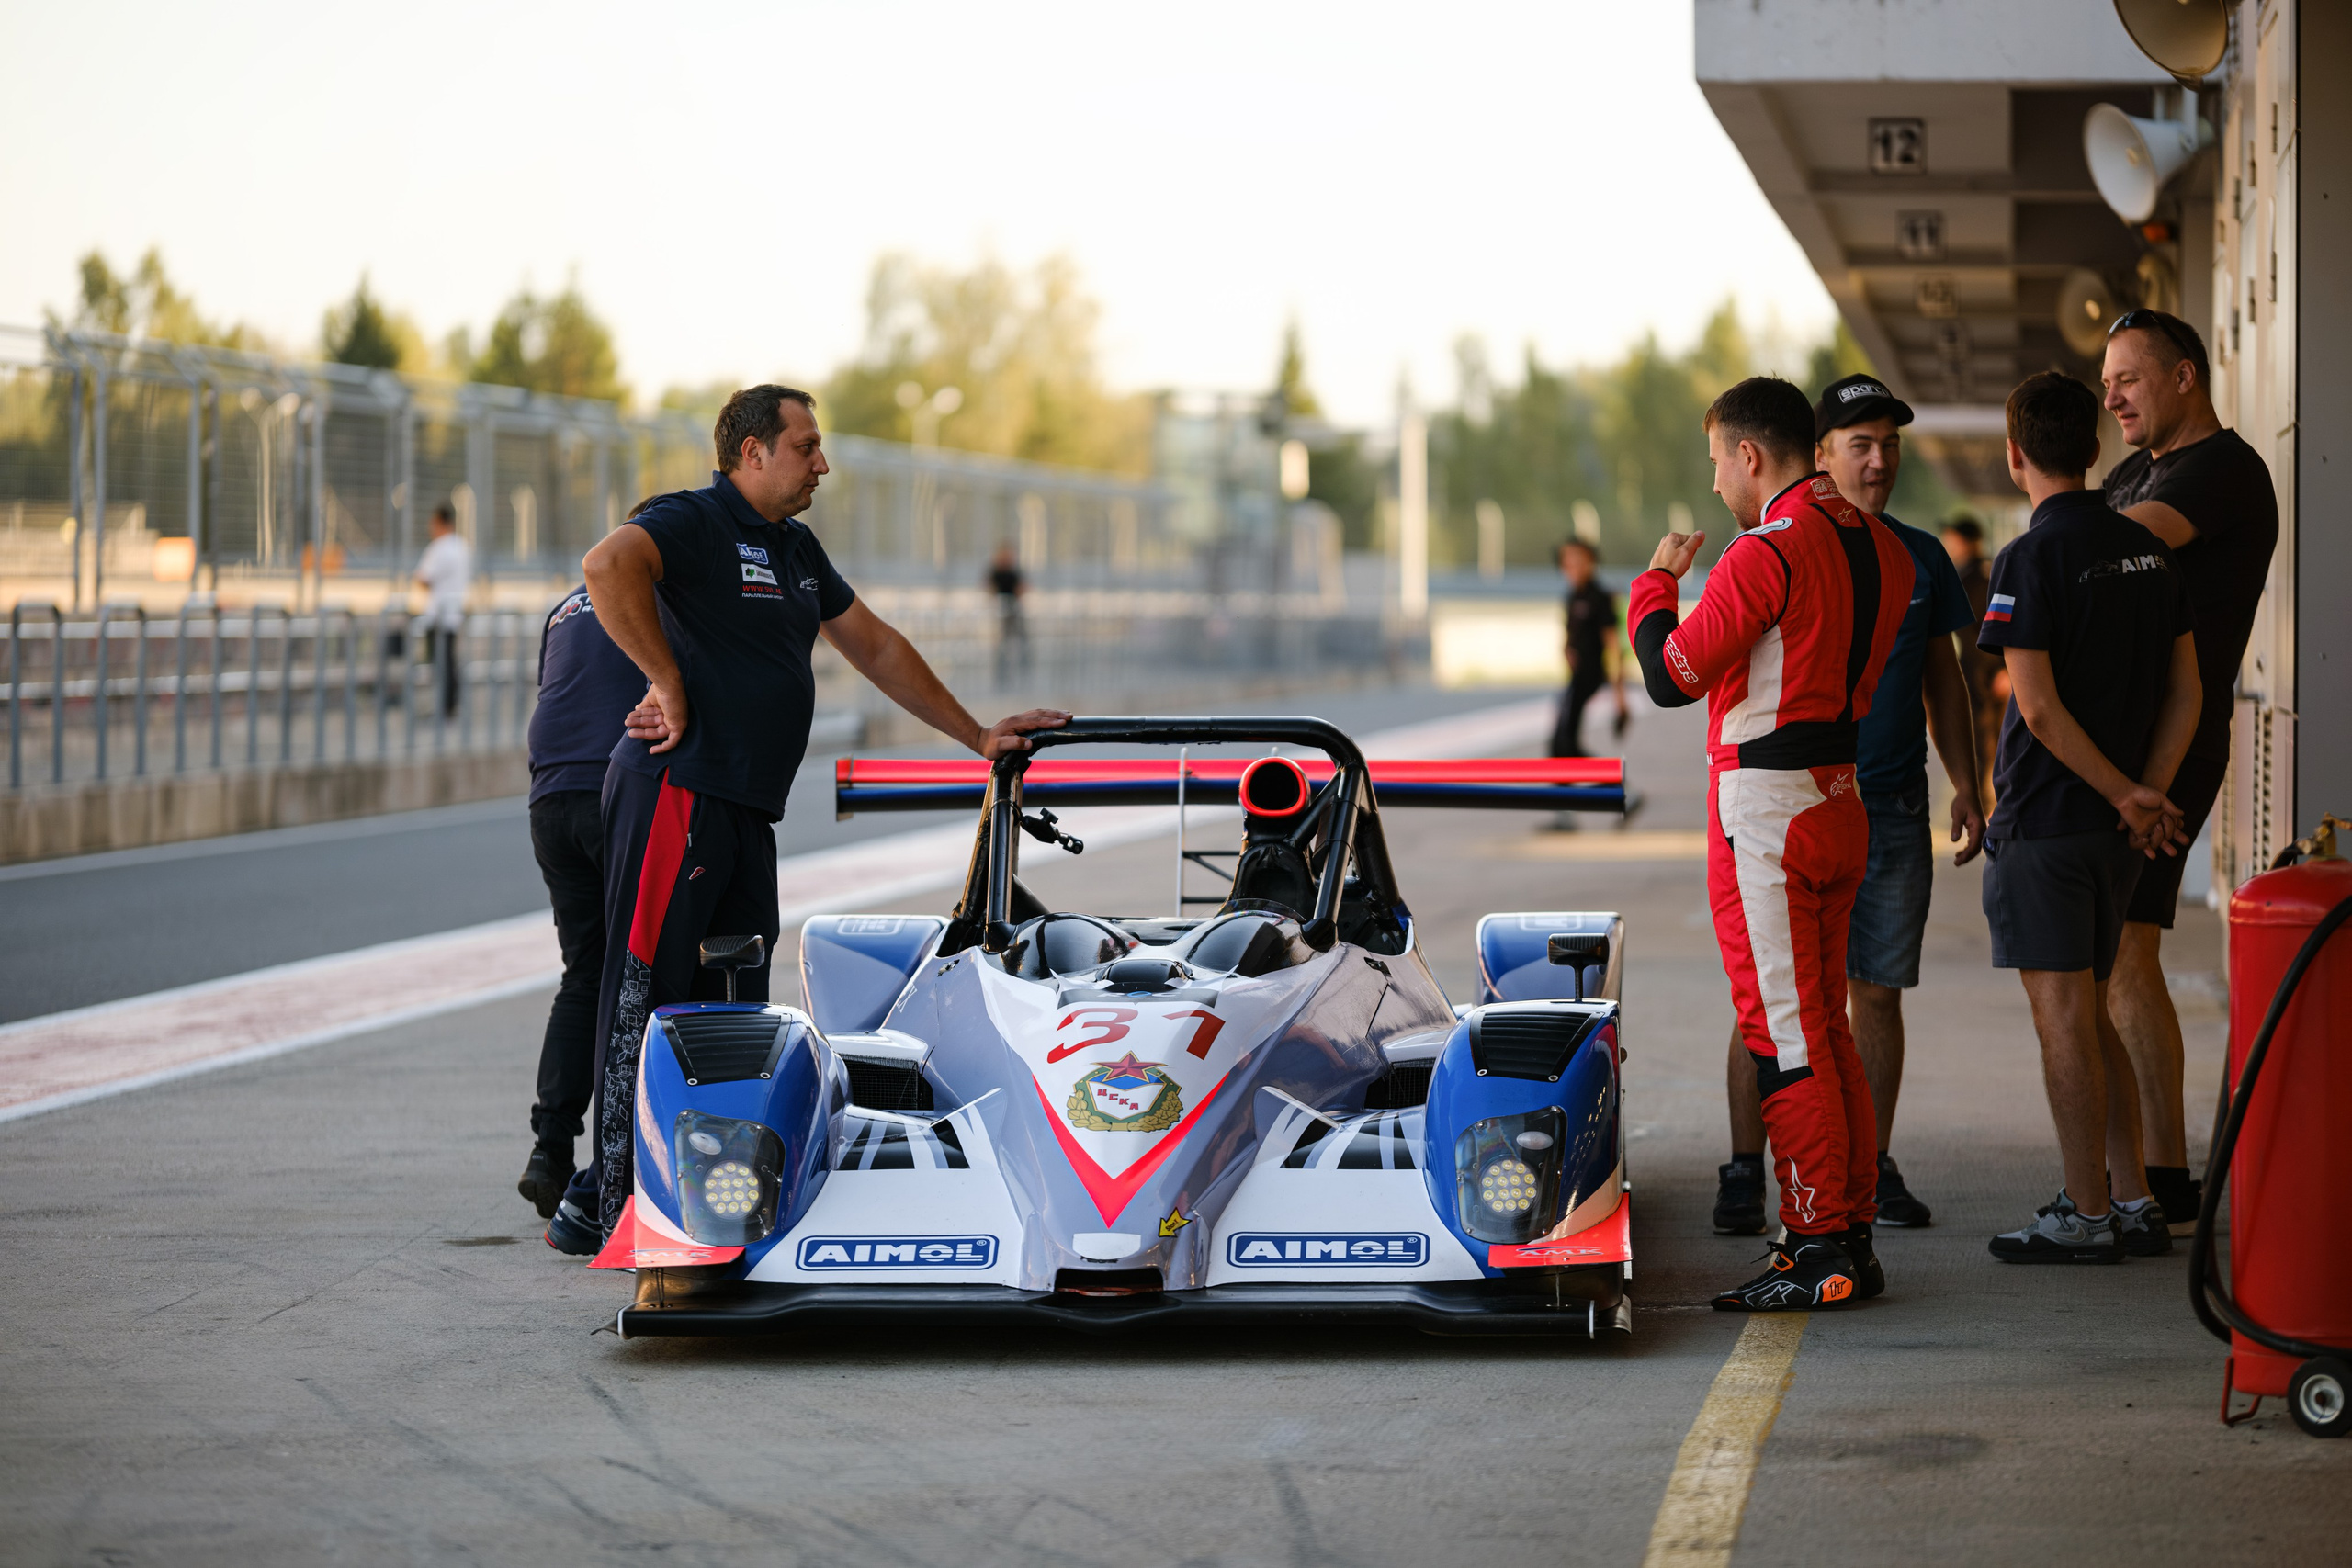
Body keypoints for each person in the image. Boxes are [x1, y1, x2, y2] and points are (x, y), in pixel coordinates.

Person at [571, 385, 1066, 1245]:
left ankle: (722, 1207)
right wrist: (666, 679)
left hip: (743, 811)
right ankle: (612, 1206)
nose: (822, 463)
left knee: (735, 1014)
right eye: (806, 447)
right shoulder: (692, 518)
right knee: (647, 1001)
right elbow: (607, 568)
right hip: (677, 792)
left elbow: (872, 643)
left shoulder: (794, 547)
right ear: (751, 453)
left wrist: (976, 734)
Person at [1630, 377, 1913, 1311]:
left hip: (1766, 808)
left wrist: (1654, 585)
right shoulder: (1886, 547)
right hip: (1842, 794)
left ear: (1750, 454)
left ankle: (1815, 1244)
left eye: (1717, 460)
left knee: (1781, 1034)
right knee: (1826, 1027)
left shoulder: (1766, 549)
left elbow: (1672, 675)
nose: (1715, 483)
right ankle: (1850, 1228)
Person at [1713, 376, 1984, 1236]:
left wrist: (1968, 781)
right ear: (1819, 455)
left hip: (1867, 807)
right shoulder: (1805, 547)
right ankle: (1755, 1170)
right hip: (1815, 806)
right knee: (1787, 1009)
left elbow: (1947, 676)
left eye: (1891, 443)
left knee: (1844, 1006)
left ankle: (1844, 1196)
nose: (1880, 459)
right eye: (1860, 443)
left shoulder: (1905, 554)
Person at [1976, 370, 2199, 1264]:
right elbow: (2187, 692)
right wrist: (2144, 797)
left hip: (2049, 824)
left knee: (2062, 1020)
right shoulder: (2149, 552)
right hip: (2114, 835)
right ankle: (2133, 1198)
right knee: (2095, 1013)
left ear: (2014, 456)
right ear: (2096, 450)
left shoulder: (2029, 559)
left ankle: (2085, 1212)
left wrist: (2120, 794)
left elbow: (2034, 709)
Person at [2097, 309, 2278, 1231]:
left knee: (2126, 949)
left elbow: (2101, 549)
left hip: (2170, 743)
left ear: (2183, 375)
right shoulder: (2136, 471)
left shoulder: (2223, 472)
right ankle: (2150, 1172)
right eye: (2103, 385)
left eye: (2127, 377)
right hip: (2124, 743)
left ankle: (2155, 1178)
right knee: (2119, 950)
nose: (2112, 397)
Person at [516, 500, 665, 1227]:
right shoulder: (659, 590)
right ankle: (629, 1159)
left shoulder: (564, 605)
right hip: (618, 789)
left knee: (583, 972)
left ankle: (550, 1146)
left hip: (550, 797)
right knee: (639, 971)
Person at [1941, 515, 2003, 810]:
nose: (1948, 543)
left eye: (1952, 537)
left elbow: (2000, 627)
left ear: (1968, 541)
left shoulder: (1980, 577)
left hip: (1986, 673)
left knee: (1985, 737)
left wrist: (2005, 670)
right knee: (1986, 736)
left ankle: (1982, 801)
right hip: (1981, 673)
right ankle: (1984, 798)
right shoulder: (1973, 575)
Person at [1546, 537, 1625, 760]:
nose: (1571, 566)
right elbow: (1570, 634)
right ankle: (1591, 780)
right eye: (1566, 562)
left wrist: (1619, 696)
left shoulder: (1599, 597)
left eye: (1577, 560)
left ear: (1591, 562)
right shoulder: (1572, 596)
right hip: (1576, 675)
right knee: (1562, 742)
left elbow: (1613, 644)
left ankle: (1609, 777)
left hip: (1590, 674)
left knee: (1563, 741)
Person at [413, 502, 470, 717]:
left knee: (439, 663)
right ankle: (450, 705)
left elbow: (423, 578)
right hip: (455, 611)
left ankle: (443, 706)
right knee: (450, 661)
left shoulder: (438, 548)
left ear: (438, 522)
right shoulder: (462, 547)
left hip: (437, 613)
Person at [988, 543, 1030, 684]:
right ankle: (1002, 674)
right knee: (1003, 644)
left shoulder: (1014, 572)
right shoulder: (995, 572)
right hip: (1001, 614)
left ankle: (1024, 670)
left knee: (1022, 640)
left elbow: (1022, 588)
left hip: (1015, 612)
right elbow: (989, 588)